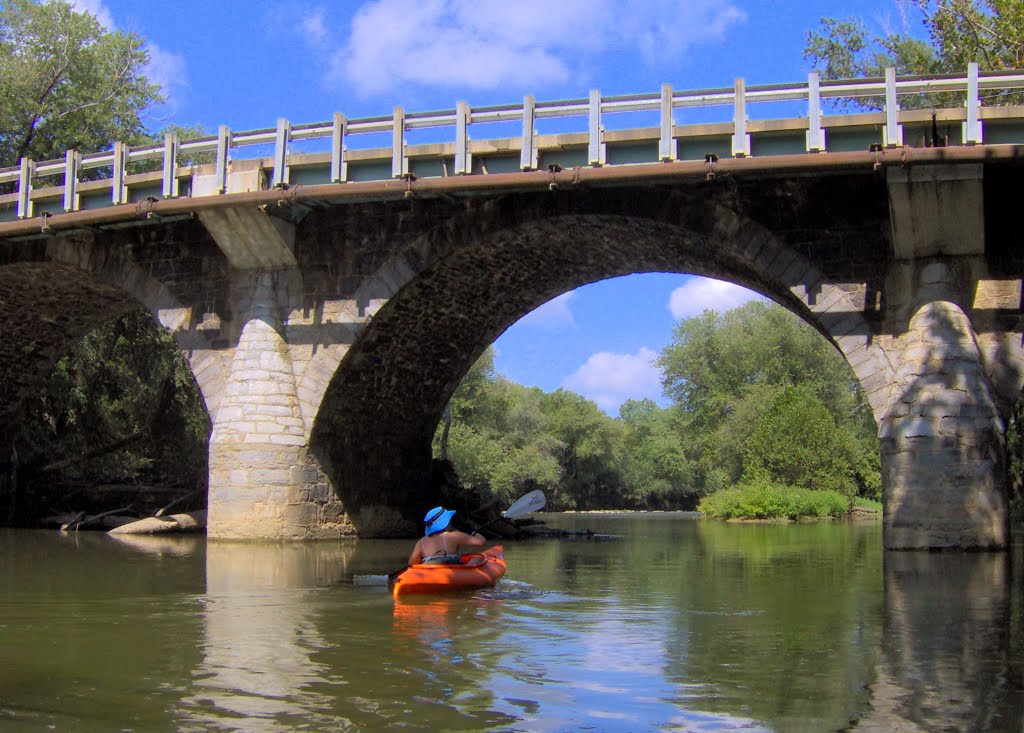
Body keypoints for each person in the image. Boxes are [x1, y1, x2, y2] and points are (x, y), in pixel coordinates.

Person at [408, 506, 485, 565]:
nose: (450, 521)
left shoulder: (421, 542)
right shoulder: (453, 536)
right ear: (445, 522)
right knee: (477, 559)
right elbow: (481, 542)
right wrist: (471, 531)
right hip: (453, 573)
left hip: (432, 573)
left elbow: (412, 563)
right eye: (449, 520)